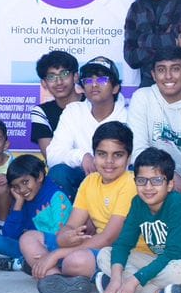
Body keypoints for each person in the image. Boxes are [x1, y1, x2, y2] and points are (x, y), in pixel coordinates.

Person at [91, 148, 181, 293]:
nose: (148, 187)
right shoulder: (138, 202)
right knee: (105, 254)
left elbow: (173, 253)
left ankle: (128, 286)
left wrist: (132, 281)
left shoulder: (178, 204)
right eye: (141, 180)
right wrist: (117, 277)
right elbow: (123, 244)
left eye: (157, 180)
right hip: (165, 264)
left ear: (170, 184)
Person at [26, 121, 136, 293]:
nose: (109, 161)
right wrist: (66, 236)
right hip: (92, 243)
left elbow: (108, 238)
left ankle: (50, 267)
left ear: (129, 158)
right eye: (102, 154)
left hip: (115, 250)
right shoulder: (89, 182)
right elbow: (71, 225)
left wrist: (56, 254)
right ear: (93, 155)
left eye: (117, 155)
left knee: (76, 260)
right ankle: (54, 277)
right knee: (28, 239)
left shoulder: (131, 183)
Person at [129, 49, 181, 213]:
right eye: (161, 70)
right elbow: (137, 150)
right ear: (153, 74)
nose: (168, 76)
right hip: (153, 176)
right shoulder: (142, 98)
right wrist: (168, 175)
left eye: (175, 68)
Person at [43, 56, 126, 196]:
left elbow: (137, 156)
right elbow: (53, 156)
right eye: (88, 80)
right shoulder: (73, 111)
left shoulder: (129, 115)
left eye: (102, 79)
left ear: (115, 88)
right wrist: (82, 156)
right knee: (58, 173)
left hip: (119, 180)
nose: (94, 85)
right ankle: (70, 218)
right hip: (83, 178)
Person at [0, 155, 71, 271]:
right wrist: (18, 203)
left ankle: (20, 263)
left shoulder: (57, 197)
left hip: (55, 248)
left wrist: (41, 222)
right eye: (16, 186)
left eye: (25, 182)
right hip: (31, 247)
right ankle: (26, 262)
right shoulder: (23, 198)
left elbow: (61, 238)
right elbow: (9, 235)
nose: (22, 190)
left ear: (40, 176)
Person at [27, 49, 80, 154]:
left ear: (75, 77)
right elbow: (51, 156)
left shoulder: (91, 104)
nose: (59, 82)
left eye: (64, 74)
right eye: (51, 77)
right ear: (44, 83)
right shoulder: (41, 112)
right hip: (63, 168)